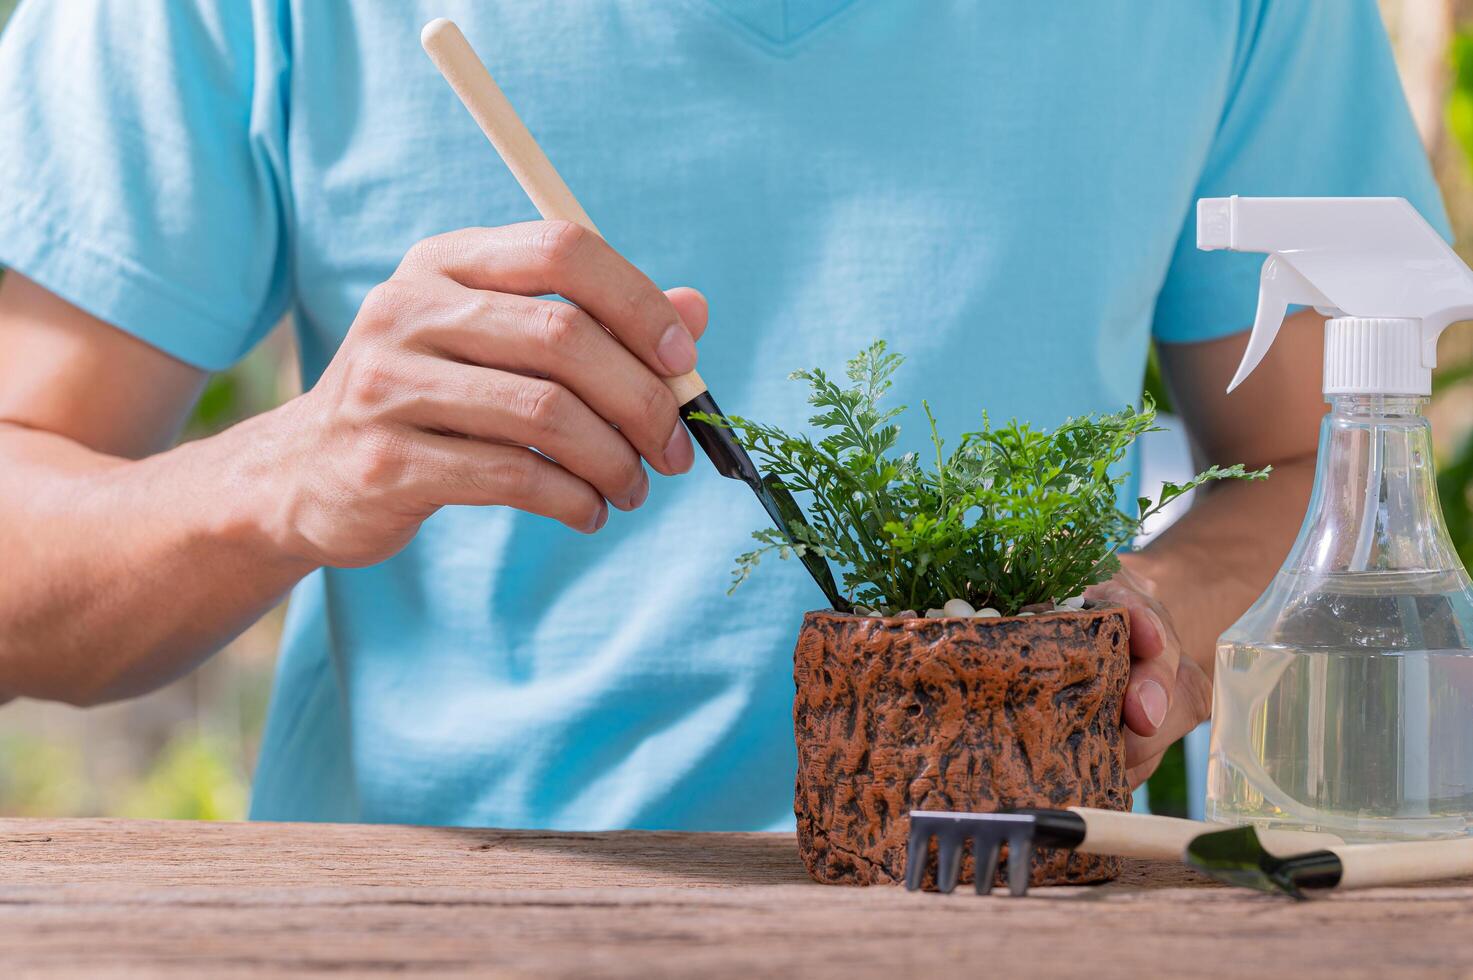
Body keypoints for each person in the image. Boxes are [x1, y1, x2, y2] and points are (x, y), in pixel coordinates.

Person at [0, 1, 1448, 829]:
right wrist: (286, 474)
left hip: (1009, 911)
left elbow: (1326, 464)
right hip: (427, 921)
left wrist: (1161, 618)